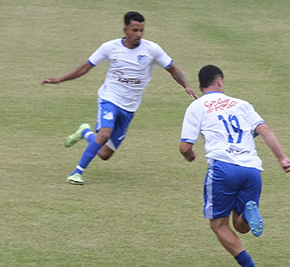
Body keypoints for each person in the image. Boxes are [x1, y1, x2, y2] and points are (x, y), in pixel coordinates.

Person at [41, 11, 198, 185]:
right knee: (105, 134)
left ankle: (85, 131)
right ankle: (76, 173)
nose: (138, 34)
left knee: (104, 154)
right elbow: (86, 67)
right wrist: (60, 79)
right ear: (125, 29)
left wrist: (186, 85)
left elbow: (173, 69)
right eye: (134, 30)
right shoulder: (110, 47)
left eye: (141, 30)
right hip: (109, 99)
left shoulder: (152, 49)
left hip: (129, 108)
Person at [180, 65, 290, 267]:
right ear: (220, 82)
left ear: (200, 86)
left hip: (224, 169)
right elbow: (265, 130)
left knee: (218, 224)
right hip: (252, 169)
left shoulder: (197, 106)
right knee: (240, 225)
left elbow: (185, 146)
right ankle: (247, 213)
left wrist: (189, 156)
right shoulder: (242, 104)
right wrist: (283, 158)